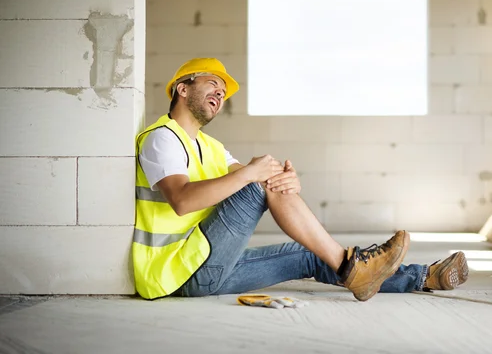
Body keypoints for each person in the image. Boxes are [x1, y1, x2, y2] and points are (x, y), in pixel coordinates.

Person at [132, 58, 469, 301]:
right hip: (176, 271)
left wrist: (283, 179)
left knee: (310, 254)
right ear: (182, 88)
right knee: (259, 181)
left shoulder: (211, 146)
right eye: (212, 84)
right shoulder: (162, 137)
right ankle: (354, 266)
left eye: (224, 92)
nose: (220, 95)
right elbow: (182, 200)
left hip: (209, 268)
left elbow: (255, 179)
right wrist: (258, 175)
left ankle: (423, 276)